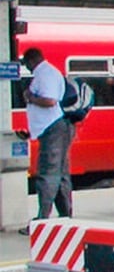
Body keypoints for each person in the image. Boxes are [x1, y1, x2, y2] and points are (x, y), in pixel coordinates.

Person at [20, 47, 73, 229]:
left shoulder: (45, 74)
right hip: (51, 129)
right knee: (60, 174)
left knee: (48, 173)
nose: (26, 67)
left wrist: (30, 97)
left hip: (53, 130)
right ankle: (66, 216)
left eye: (26, 63)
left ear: (31, 60)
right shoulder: (47, 73)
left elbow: (50, 100)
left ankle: (43, 219)